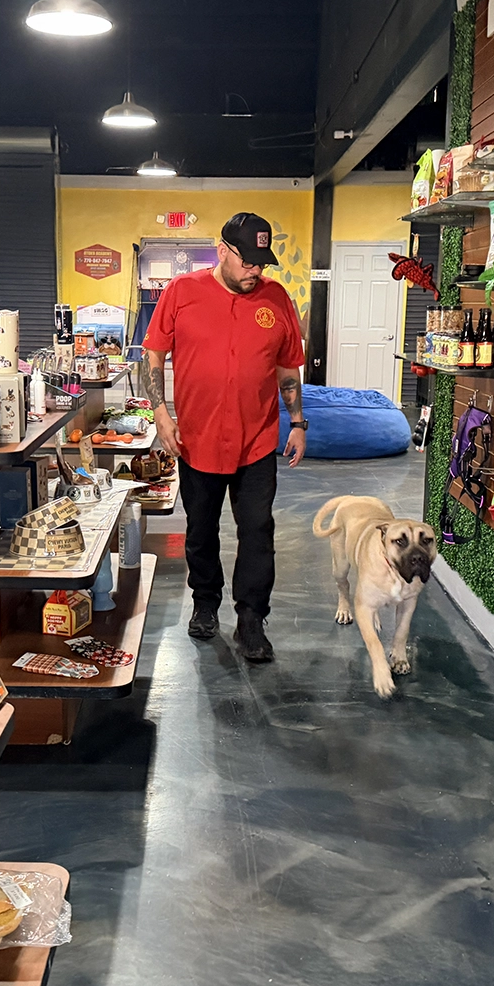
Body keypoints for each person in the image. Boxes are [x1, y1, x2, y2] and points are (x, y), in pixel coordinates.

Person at [139, 212, 307, 662]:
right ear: (224, 251)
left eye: (262, 262)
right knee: (201, 529)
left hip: (256, 439)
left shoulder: (277, 298)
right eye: (247, 261)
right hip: (197, 438)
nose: (256, 270)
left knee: (257, 529)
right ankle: (205, 603)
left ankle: (252, 618)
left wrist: (298, 422)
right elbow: (153, 355)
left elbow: (288, 368)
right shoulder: (182, 292)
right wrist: (160, 412)